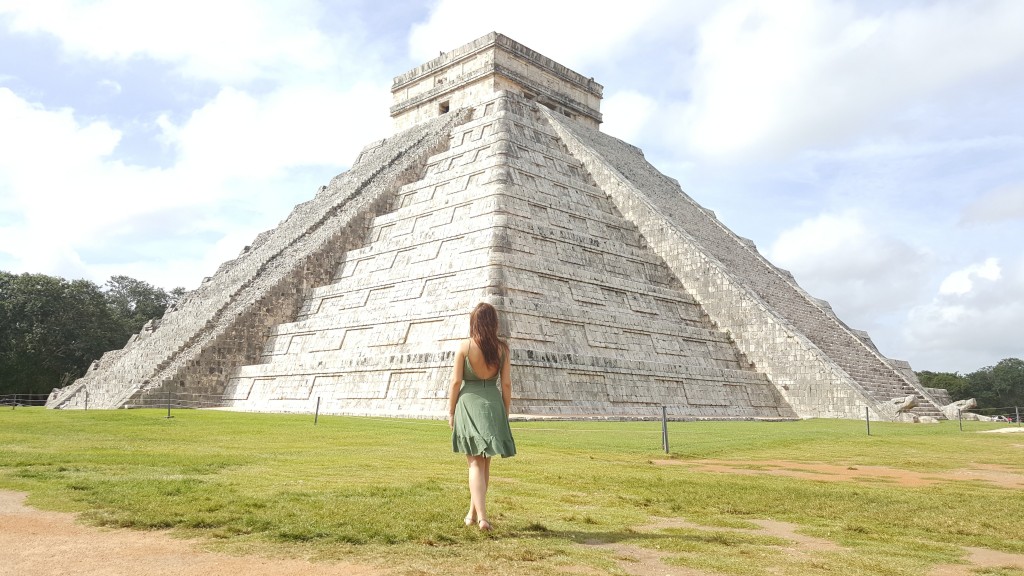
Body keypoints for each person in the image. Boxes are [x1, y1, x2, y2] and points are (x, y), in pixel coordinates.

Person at [447, 302, 516, 531]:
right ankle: (472, 514)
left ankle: (483, 518)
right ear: (493, 323)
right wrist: (504, 412)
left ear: (473, 322)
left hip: (469, 403)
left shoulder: (464, 347)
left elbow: (456, 382)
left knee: (474, 462)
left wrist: (450, 411)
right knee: (484, 463)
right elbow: (506, 384)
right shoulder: (502, 349)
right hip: (493, 403)